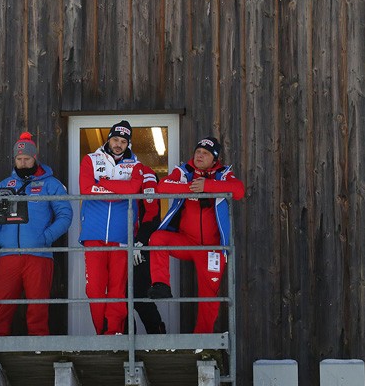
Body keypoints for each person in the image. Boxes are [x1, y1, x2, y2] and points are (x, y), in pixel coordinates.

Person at [148, 137, 244, 334]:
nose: (200, 155)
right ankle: (161, 285)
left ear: (214, 159)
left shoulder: (223, 174)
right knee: (157, 238)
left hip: (212, 248)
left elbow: (239, 190)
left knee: (209, 296)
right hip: (186, 242)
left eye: (205, 153)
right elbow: (163, 186)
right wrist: (192, 187)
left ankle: (202, 339)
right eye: (198, 151)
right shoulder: (184, 171)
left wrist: (207, 186)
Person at [0, 132, 72, 336]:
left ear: (35, 157)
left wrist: (45, 238)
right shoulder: (4, 186)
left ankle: (39, 347)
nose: (23, 163)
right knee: (0, 306)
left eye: (27, 158)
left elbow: (65, 215)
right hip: (9, 255)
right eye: (19, 159)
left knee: (38, 307)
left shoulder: (51, 184)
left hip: (39, 255)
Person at [79, 120, 145, 335]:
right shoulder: (90, 159)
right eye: (115, 139)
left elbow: (134, 188)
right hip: (93, 233)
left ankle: (114, 332)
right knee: (95, 289)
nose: (118, 144)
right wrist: (120, 191)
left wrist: (103, 184)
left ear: (128, 144)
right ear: (108, 139)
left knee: (118, 289)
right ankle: (101, 334)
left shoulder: (136, 165)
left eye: (123, 141)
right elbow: (86, 189)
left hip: (122, 235)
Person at [132, 164, 166, 334]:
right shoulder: (108, 171)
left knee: (139, 295)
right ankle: (125, 340)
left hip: (139, 245)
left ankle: (158, 339)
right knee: (120, 298)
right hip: (118, 243)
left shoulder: (146, 173)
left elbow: (152, 212)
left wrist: (140, 241)